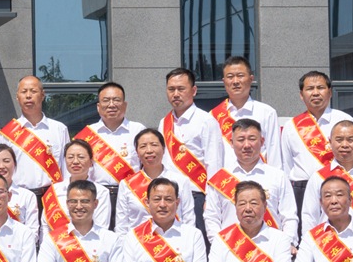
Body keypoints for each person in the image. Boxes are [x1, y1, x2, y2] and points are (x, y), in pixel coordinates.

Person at [204, 118, 297, 248]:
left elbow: (289, 216)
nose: (246, 145)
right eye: (241, 140)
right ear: (231, 143)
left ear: (262, 141)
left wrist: (288, 244)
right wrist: (219, 246)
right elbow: (211, 218)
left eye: (252, 139)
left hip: (270, 250)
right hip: (231, 250)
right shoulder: (219, 179)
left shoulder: (278, 177)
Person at [159, 68, 225, 238]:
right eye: (171, 89)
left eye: (181, 89)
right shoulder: (164, 123)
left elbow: (214, 163)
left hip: (197, 197)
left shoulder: (206, 121)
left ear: (193, 91)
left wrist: (211, 200)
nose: (175, 94)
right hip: (169, 198)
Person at [278, 71, 353, 203]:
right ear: (301, 95)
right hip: (302, 190)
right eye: (309, 88)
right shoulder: (291, 126)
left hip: (337, 187)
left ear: (330, 92)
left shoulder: (345, 120)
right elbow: (286, 164)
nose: (315, 93)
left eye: (320, 88)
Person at [77, 82, 146, 216]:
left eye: (116, 100)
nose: (111, 105)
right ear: (98, 106)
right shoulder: (87, 135)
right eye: (106, 100)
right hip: (97, 197)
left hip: (131, 195)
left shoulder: (138, 130)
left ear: (125, 105)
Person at [114, 129, 194, 234]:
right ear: (137, 152)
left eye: (154, 145)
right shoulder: (126, 184)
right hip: (138, 242)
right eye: (143, 146)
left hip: (173, 240)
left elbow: (189, 220)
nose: (149, 150)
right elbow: (121, 226)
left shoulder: (181, 181)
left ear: (163, 149)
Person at [0, 76, 68, 197]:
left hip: (52, 197)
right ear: (17, 97)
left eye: (33, 91)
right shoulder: (7, 134)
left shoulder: (59, 129)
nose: (28, 96)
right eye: (24, 91)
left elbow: (67, 167)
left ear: (42, 95)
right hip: (19, 197)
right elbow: (0, 170)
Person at [211, 57, 281, 165]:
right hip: (225, 175)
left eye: (240, 76)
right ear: (224, 81)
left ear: (251, 79)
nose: (235, 81)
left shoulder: (267, 113)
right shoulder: (212, 116)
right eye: (230, 77)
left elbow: (274, 152)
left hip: (258, 175)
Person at [40, 140, 115, 240]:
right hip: (56, 246)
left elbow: (101, 227)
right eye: (70, 157)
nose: (75, 161)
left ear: (91, 161)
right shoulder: (54, 190)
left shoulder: (101, 192)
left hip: (89, 245)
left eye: (81, 157)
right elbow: (45, 227)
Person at [0, 143, 38, 224]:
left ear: (14, 164)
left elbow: (32, 229)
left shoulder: (27, 196)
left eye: (6, 161)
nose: (1, 166)